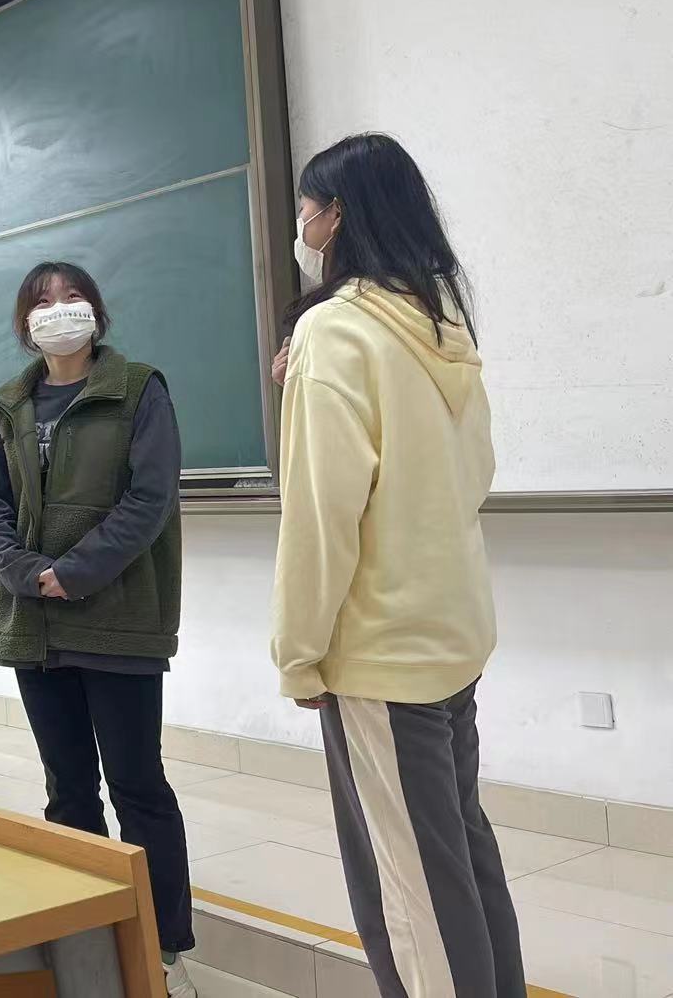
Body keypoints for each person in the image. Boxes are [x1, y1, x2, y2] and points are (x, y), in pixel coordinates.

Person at [271, 133, 522, 996]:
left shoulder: (334, 330)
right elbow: (474, 474)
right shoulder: (440, 324)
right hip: (452, 632)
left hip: (380, 653)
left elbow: (321, 516)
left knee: (411, 893)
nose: (302, 227)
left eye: (307, 209)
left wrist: (298, 654)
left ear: (337, 216)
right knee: (462, 859)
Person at [0, 262, 196, 998]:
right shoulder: (6, 406)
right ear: (24, 322)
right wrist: (26, 572)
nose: (59, 310)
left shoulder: (138, 390)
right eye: (43, 301)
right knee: (68, 790)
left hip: (119, 619)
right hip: (34, 623)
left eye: (73, 297)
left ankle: (163, 947)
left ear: (97, 311)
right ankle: (87, 940)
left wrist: (75, 572)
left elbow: (151, 497)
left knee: (137, 786)